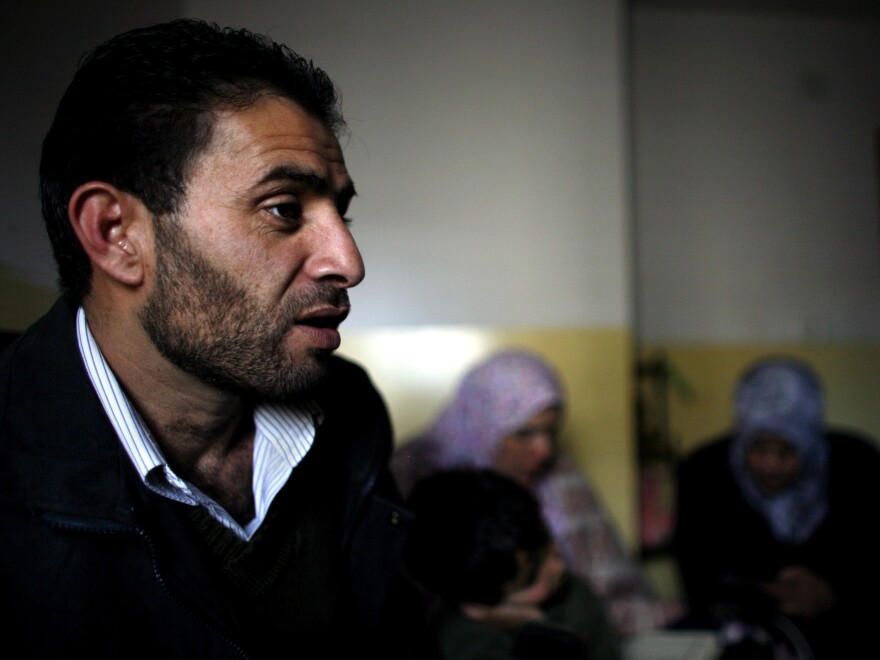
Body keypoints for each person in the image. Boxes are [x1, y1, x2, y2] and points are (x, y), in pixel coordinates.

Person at [0, 19, 419, 658]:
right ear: (116, 233)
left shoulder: (353, 412)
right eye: (283, 209)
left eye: (342, 211)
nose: (348, 261)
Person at [391, 348, 677, 636]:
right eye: (524, 433)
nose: (544, 450)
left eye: (551, 432)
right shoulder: (418, 472)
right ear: (483, 426)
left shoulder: (559, 476)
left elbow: (610, 590)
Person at [672, 356, 880, 658]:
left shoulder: (857, 465)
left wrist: (832, 596)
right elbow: (696, 569)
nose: (771, 465)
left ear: (808, 441)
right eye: (758, 448)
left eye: (787, 450)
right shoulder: (705, 471)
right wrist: (757, 594)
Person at [404, 467, 622, 660]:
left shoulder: (576, 597)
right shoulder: (462, 638)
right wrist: (542, 636)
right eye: (531, 579)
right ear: (476, 605)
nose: (558, 568)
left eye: (551, 548)